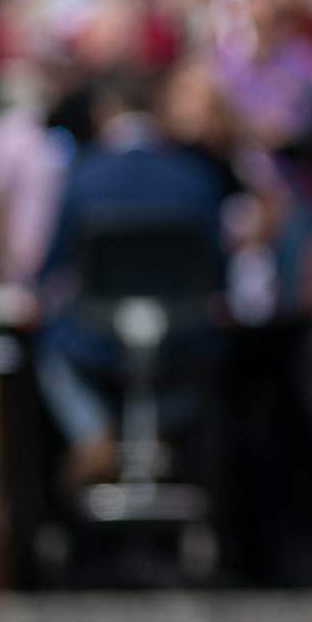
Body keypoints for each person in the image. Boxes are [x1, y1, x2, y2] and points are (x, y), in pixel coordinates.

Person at [35, 68, 231, 492]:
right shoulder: (193, 175)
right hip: (179, 341)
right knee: (209, 372)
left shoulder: (82, 176)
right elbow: (219, 271)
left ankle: (93, 432)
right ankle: (154, 430)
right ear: (158, 112)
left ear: (106, 114)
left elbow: (51, 268)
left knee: (52, 356)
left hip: (96, 340)